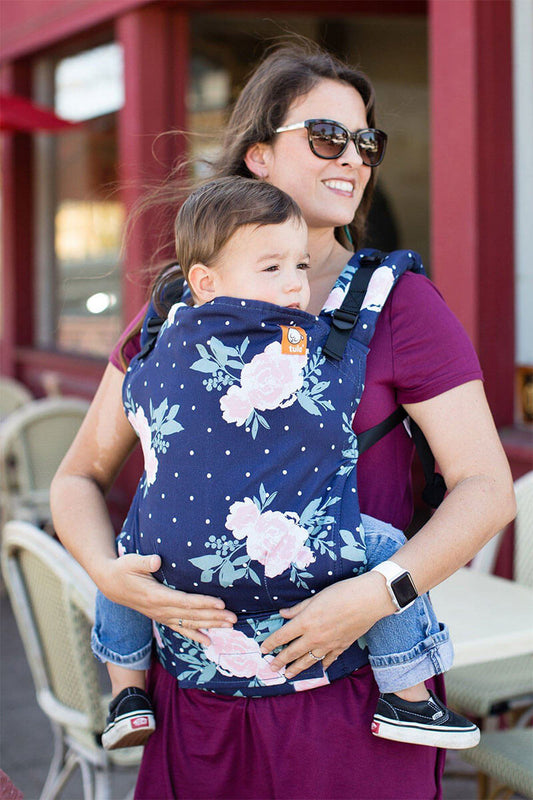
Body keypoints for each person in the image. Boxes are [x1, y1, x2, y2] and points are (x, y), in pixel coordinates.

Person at [51, 40, 515, 800]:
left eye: (366, 141)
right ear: (259, 156)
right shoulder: (179, 306)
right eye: (327, 137)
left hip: (351, 703)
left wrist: (374, 596)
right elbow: (77, 474)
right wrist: (111, 579)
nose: (353, 158)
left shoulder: (398, 304)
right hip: (194, 698)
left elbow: (485, 489)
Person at [92, 176, 479, 752]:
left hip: (177, 559)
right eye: (273, 269)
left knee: (127, 552)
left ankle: (125, 690)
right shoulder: (308, 340)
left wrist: (105, 569)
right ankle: (409, 695)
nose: (296, 286)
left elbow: (134, 402)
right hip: (294, 547)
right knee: (388, 551)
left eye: (299, 268)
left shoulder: (160, 331)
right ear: (260, 154)